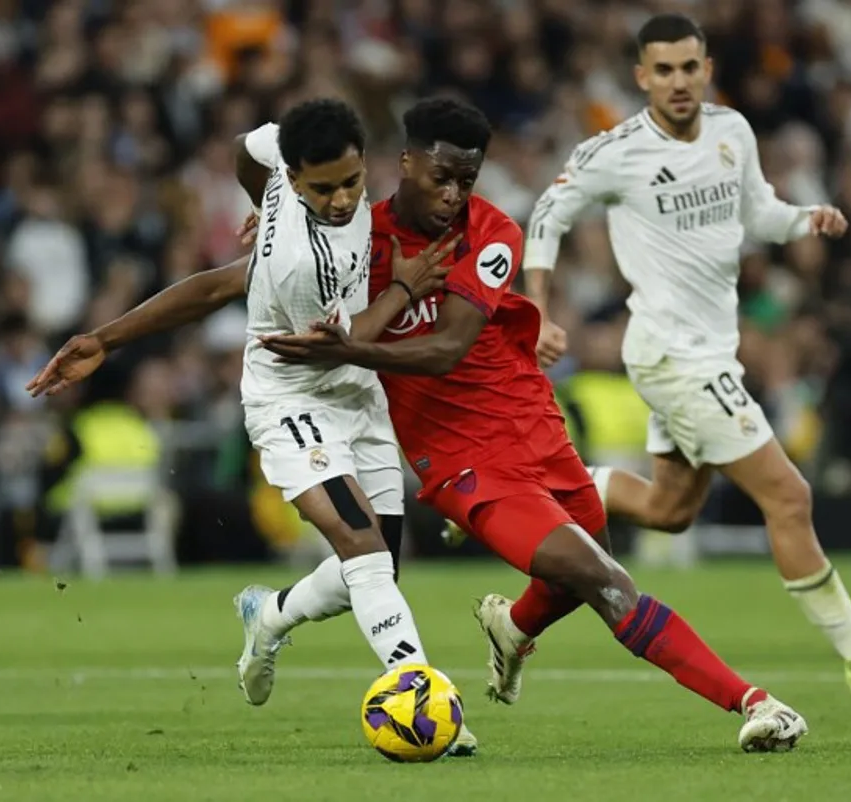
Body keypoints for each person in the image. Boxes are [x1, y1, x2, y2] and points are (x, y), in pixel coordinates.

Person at [259, 96, 808, 752]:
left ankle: (513, 630)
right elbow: (268, 228)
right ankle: (756, 703)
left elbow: (445, 349)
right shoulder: (359, 239)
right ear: (405, 163)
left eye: (468, 179)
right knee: (604, 580)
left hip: (537, 428)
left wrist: (349, 345)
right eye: (441, 177)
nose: (454, 194)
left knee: (576, 574)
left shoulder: (492, 234)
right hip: (467, 463)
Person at [26, 98, 480, 754]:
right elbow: (343, 341)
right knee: (365, 550)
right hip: (294, 400)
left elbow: (246, 153)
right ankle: (418, 696)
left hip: (359, 396)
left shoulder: (282, 159)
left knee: (377, 568)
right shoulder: (303, 261)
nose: (340, 199)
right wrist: (404, 288)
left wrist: (261, 202)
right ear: (295, 178)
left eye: (351, 181)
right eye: (320, 189)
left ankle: (267, 617)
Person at [522, 13, 851, 700]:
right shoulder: (618, 152)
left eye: (689, 67)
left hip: (709, 350)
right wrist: (539, 306)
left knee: (669, 508)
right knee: (788, 494)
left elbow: (757, 213)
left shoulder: (732, 132)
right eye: (663, 70)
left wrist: (804, 218)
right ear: (642, 78)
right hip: (673, 355)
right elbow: (547, 215)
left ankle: (536, 490)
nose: (679, 81)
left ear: (707, 68)